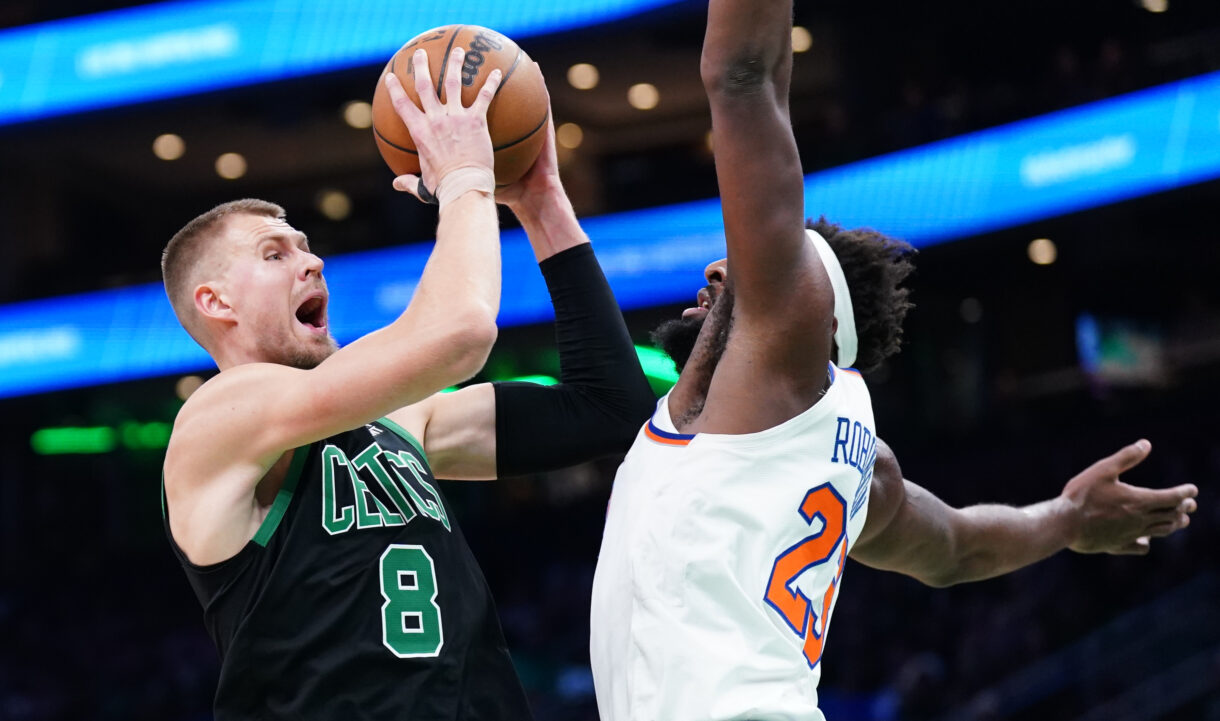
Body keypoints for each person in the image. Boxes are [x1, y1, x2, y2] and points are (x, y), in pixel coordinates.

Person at [587, 2, 1200, 720]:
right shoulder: (854, 460)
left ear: (804, 311)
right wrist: (1064, 517)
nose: (716, 271)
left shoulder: (786, 364)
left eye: (753, 270)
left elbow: (744, 74)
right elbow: (956, 547)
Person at [160, 47, 654, 720]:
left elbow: (609, 408)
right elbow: (459, 335)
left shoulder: (403, 419)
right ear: (216, 303)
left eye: (306, 246)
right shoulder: (219, 418)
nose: (311, 262)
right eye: (275, 254)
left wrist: (542, 205)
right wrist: (465, 180)